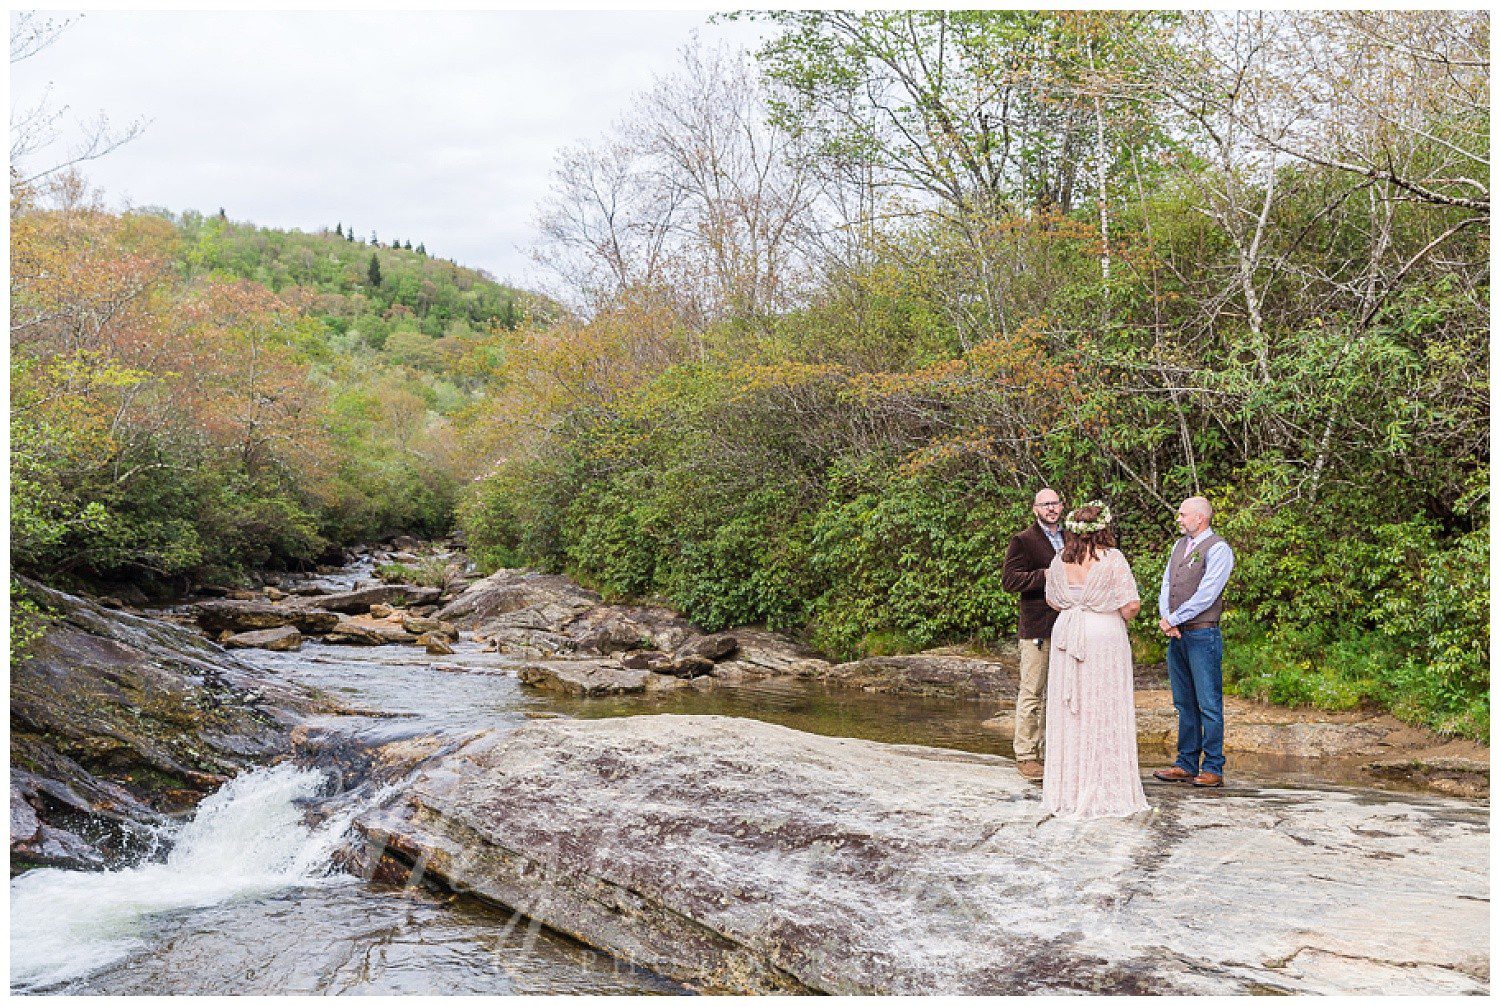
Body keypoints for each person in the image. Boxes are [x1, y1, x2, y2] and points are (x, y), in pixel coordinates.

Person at [1040, 501, 1150, 819]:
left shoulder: (1059, 559)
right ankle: (1105, 785)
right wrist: (1109, 616)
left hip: (1066, 633)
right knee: (1103, 707)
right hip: (1103, 634)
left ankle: (1068, 790)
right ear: (1104, 527)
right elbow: (1131, 604)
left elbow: (1052, 600)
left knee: (1069, 713)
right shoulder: (1112, 558)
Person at [1152, 496, 1235, 789]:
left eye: (1183, 514)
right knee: (1184, 703)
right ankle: (1185, 763)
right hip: (1177, 635)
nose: (1179, 519)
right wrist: (1167, 617)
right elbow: (1166, 584)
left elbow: (1207, 593)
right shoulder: (1178, 546)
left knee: (1209, 704)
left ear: (1200, 518)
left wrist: (1175, 618)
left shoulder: (1219, 549)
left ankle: (1213, 766)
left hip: (1202, 634)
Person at [1001, 488, 1066, 781]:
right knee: (1032, 692)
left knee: (1063, 693)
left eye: (1055, 503)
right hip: (1038, 627)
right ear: (1035, 508)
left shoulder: (1073, 537)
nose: (1051, 508)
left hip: (1070, 626)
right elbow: (1010, 580)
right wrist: (1045, 575)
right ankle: (1027, 755)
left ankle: (1056, 752)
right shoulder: (1023, 541)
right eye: (1046, 504)